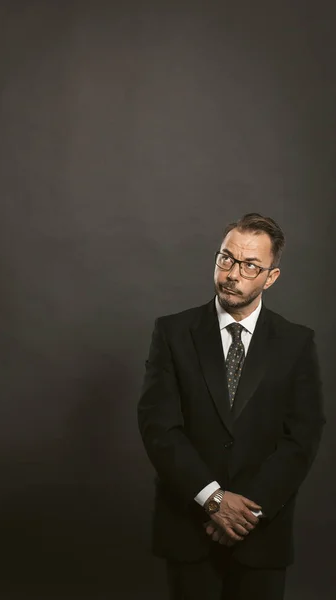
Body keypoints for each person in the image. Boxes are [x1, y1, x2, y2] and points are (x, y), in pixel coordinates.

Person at [137, 213, 326, 600]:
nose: (232, 274)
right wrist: (213, 499)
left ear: (270, 276)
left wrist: (247, 512)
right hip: (188, 529)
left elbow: (302, 437)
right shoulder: (172, 333)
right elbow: (159, 427)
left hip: (263, 536)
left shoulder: (296, 343)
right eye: (226, 258)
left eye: (250, 265)